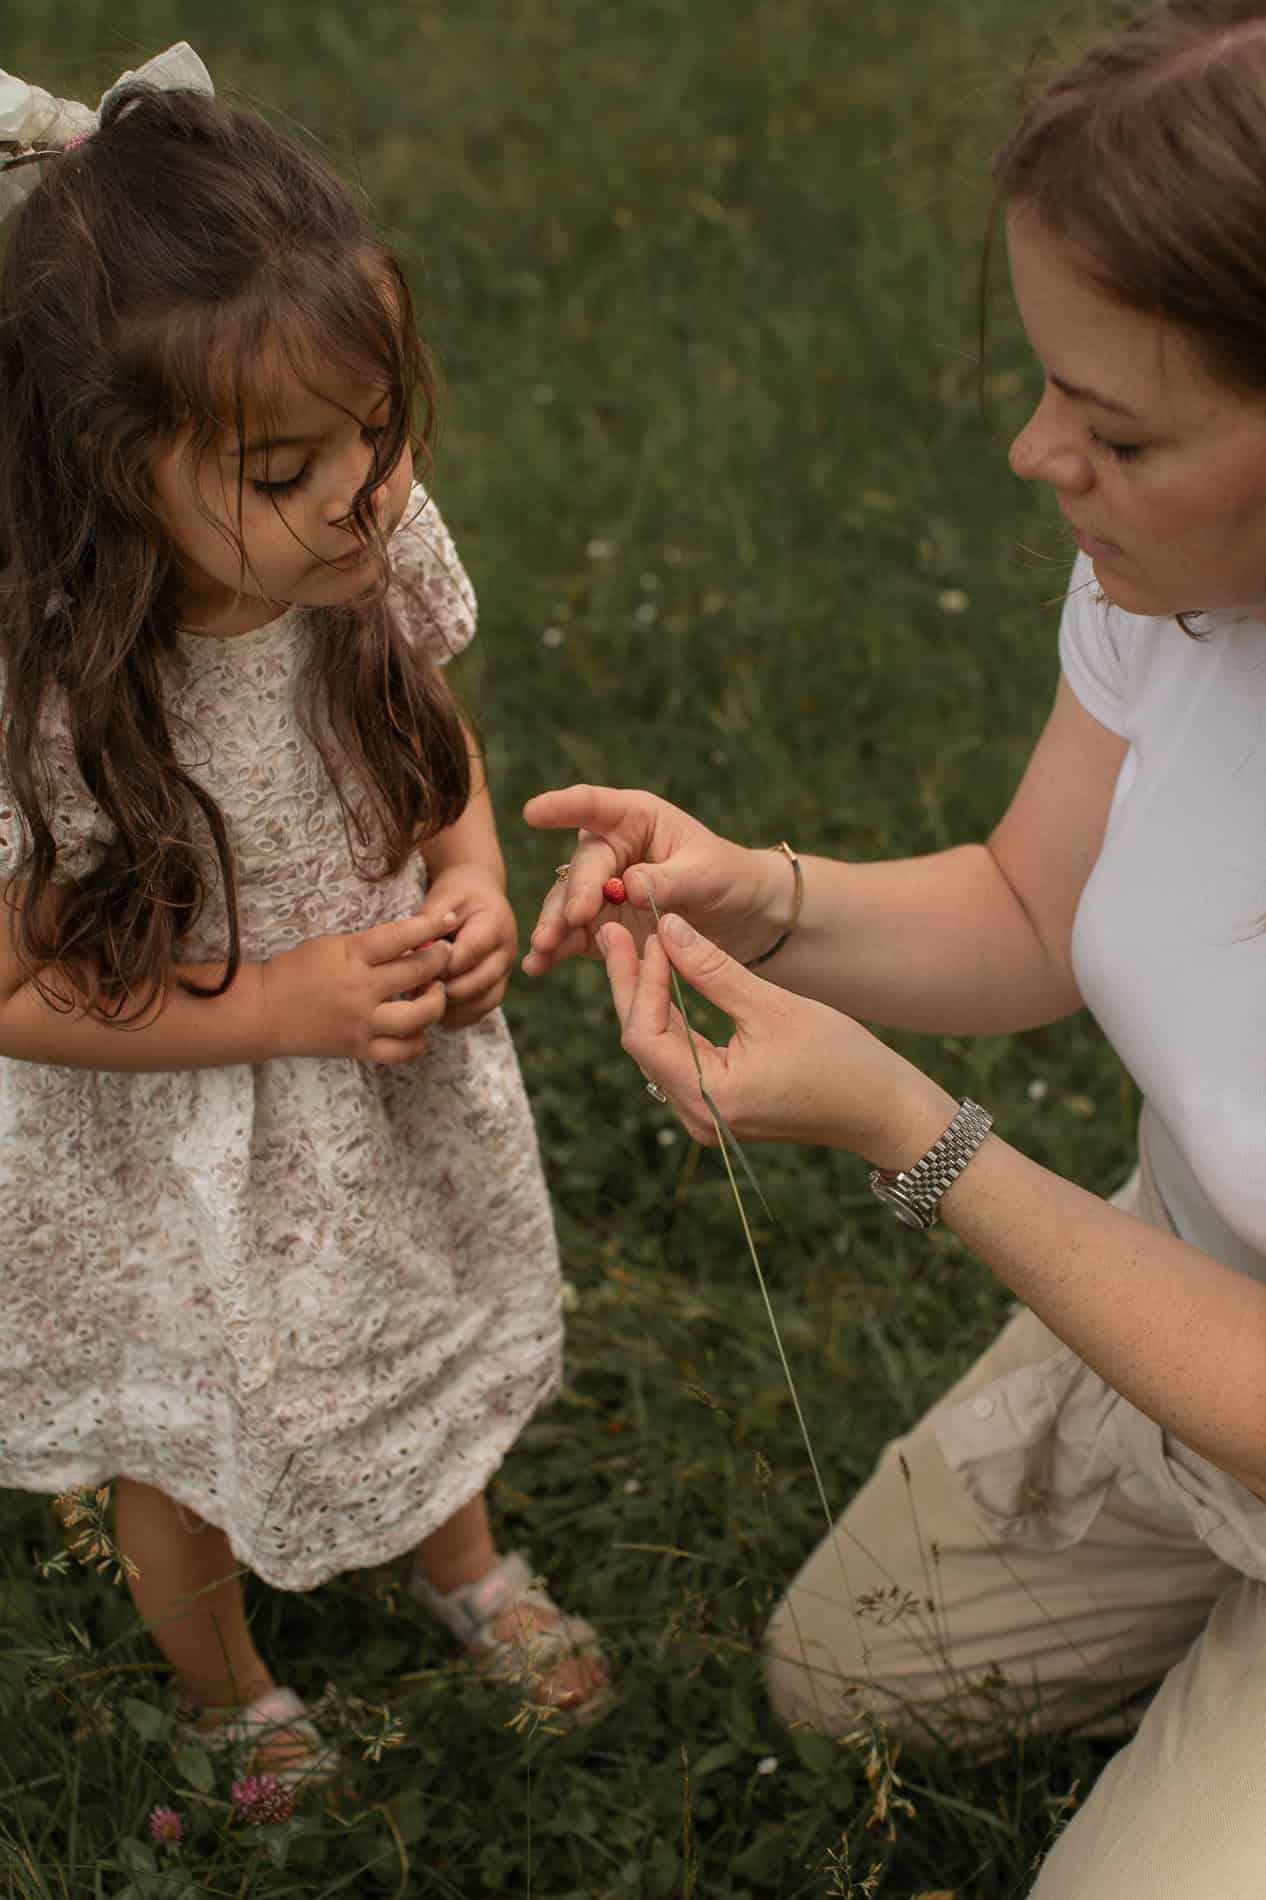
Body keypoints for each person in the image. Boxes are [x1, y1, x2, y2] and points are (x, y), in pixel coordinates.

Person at [522, 1, 1266, 1890]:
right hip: (1179, 1298)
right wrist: (759, 891)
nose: (1034, 457)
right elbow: (1029, 909)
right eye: (1045, 389)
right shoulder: (1180, 594)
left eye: (1110, 428)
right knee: (846, 1683)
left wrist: (912, 1138)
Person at [0, 46, 608, 1785]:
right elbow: (9, 988)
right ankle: (227, 1694)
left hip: (375, 1078)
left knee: (409, 1306)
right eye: (287, 467)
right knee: (186, 1443)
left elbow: (429, 747)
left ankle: (464, 1563)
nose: (361, 486)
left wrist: (473, 877)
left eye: (383, 425)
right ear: (111, 466)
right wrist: (273, 1006)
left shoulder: (357, 547)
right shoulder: (58, 694)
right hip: (169, 1141)